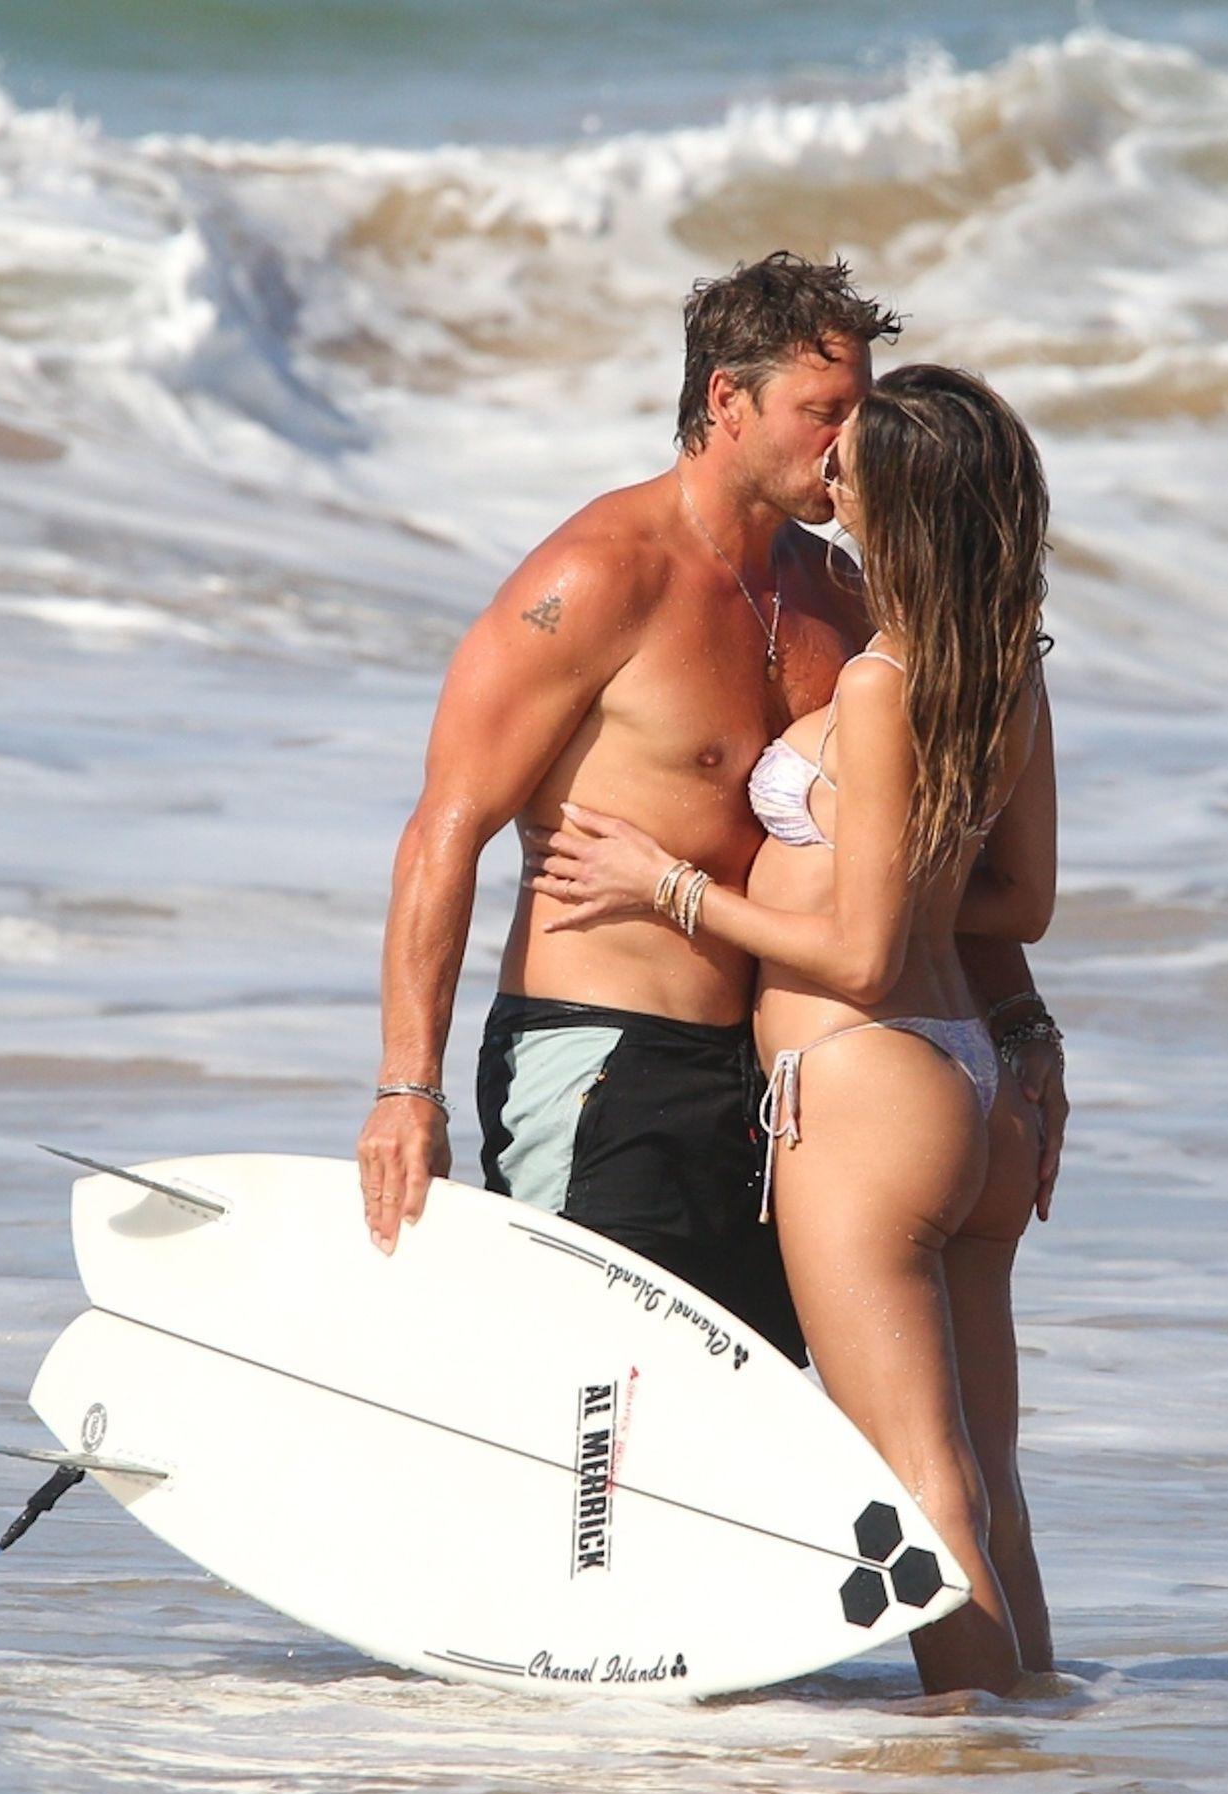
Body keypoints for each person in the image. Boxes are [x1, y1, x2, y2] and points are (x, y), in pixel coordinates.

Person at [355, 252, 1067, 1379]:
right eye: (823, 412)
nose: (847, 446)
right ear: (728, 399)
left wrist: (1021, 1028)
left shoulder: (844, 598)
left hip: (788, 1081)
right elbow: (444, 827)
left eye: (860, 414)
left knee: (738, 1420)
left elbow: (917, 862)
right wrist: (408, 1087)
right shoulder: (598, 578)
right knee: (583, 1399)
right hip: (607, 1058)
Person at [526, 362, 1059, 1696]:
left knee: (912, 1481)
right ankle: (1036, 1759)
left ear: (901, 502)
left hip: (865, 1089)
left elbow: (863, 956)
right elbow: (1019, 902)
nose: (831, 480)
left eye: (852, 467)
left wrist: (670, 888)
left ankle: (964, 1767)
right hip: (967, 1080)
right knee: (984, 1475)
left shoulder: (879, 687)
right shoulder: (1002, 670)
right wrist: (920, 894)